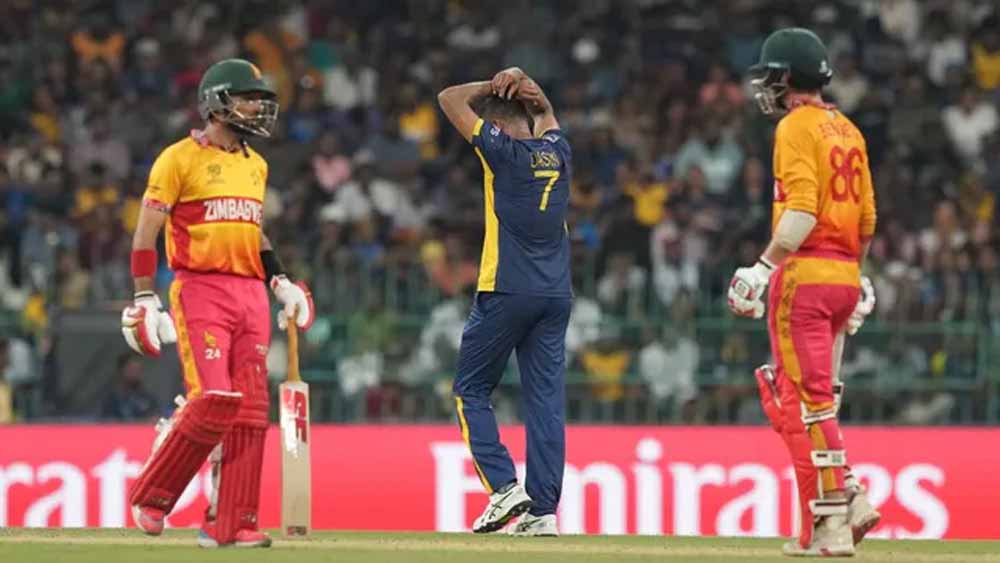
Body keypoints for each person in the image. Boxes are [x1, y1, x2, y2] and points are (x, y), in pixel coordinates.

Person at [120, 59, 314, 549]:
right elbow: (146, 232)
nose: (257, 108)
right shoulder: (178, 159)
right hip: (200, 288)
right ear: (217, 102)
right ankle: (152, 495)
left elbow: (254, 231)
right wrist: (144, 296)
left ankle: (230, 524)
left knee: (250, 411)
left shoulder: (256, 164)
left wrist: (281, 281)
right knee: (213, 399)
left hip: (250, 293)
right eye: (248, 98)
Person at [726, 28, 880, 557]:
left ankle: (837, 514)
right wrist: (856, 276)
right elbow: (867, 218)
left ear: (786, 77)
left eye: (771, 75)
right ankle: (846, 498)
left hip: (805, 275)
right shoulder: (849, 128)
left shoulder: (795, 126)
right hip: (844, 274)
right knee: (822, 398)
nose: (766, 86)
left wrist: (762, 267)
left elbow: (803, 209)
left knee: (810, 403)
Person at [437, 67, 572, 537]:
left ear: (494, 125)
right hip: (556, 293)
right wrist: (527, 84)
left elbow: (448, 98)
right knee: (545, 402)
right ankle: (543, 512)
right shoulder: (559, 151)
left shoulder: (501, 154)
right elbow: (546, 110)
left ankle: (503, 488)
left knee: (470, 389)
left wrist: (491, 85)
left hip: (508, 288)